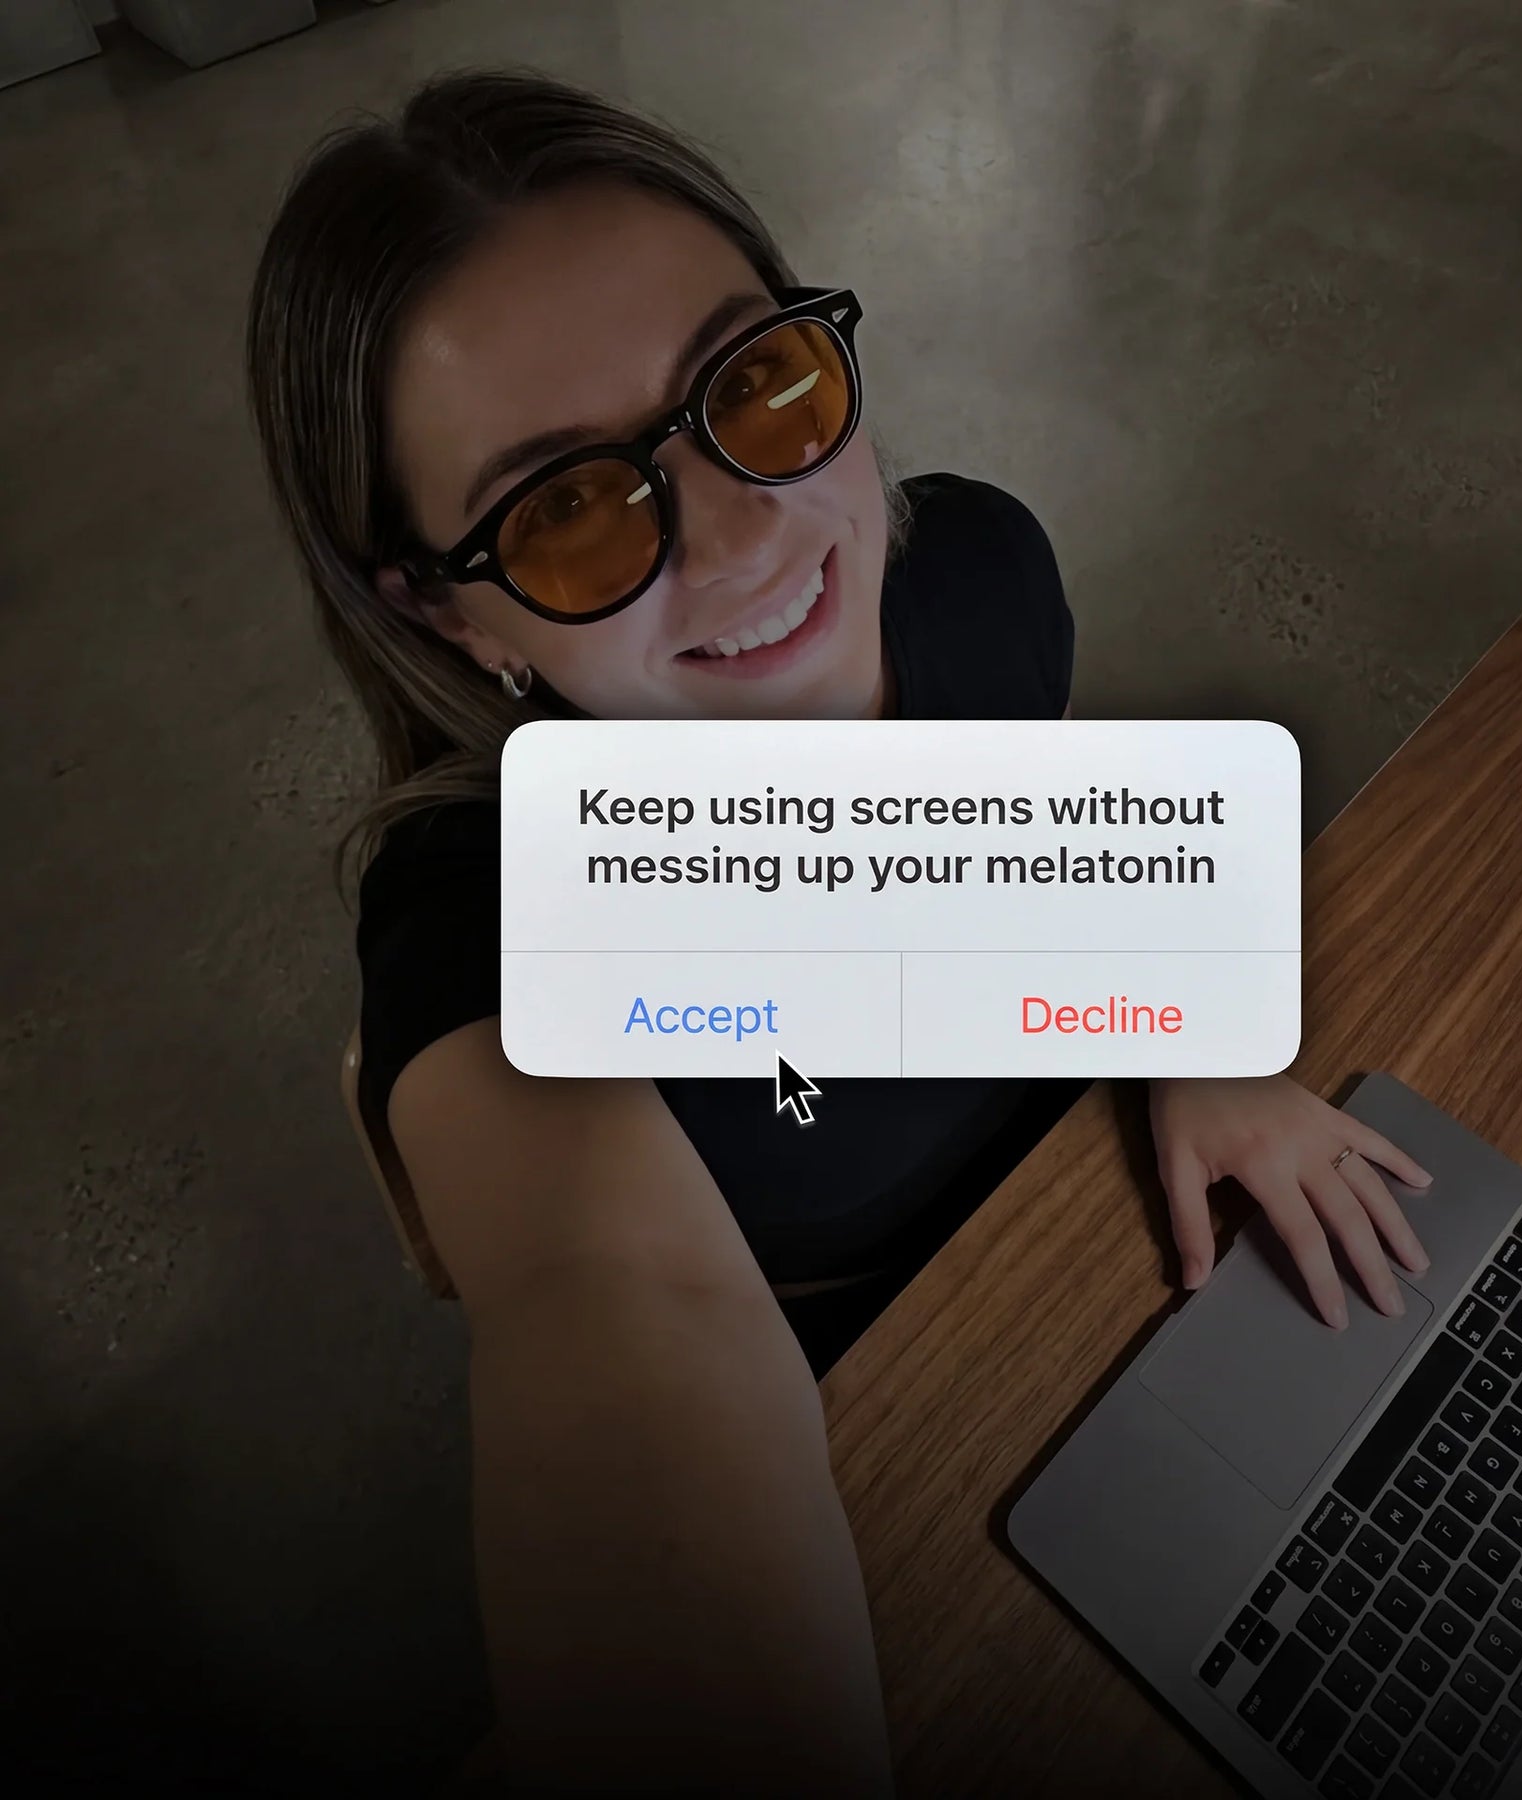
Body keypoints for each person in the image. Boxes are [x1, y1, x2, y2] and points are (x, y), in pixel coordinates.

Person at [246, 70, 1433, 1796]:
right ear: (443, 611)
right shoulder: (490, 912)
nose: (748, 536)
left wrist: (1181, 1024)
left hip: (1131, 1256)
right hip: (903, 1432)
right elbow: (614, 1298)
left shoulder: (977, 568)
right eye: (564, 508)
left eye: (752, 383)